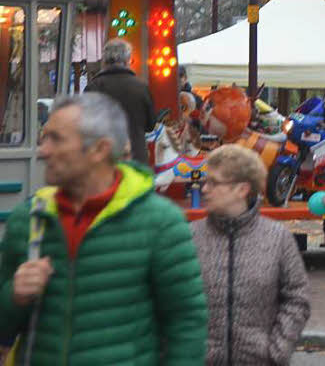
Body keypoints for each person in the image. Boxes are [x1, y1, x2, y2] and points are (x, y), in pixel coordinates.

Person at [0, 93, 207, 364]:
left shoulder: (160, 223)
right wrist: (14, 294)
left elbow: (187, 324)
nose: (43, 150)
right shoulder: (28, 219)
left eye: (56, 139)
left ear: (99, 150)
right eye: (44, 136)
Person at [191, 144, 310, 365]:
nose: (204, 188)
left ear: (242, 189)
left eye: (214, 182)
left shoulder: (277, 238)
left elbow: (297, 298)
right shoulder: (189, 237)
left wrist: (277, 350)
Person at [84, 38, 155, 165]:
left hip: (104, 161)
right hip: (136, 158)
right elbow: (150, 125)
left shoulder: (93, 88)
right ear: (128, 60)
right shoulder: (141, 87)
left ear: (104, 61)